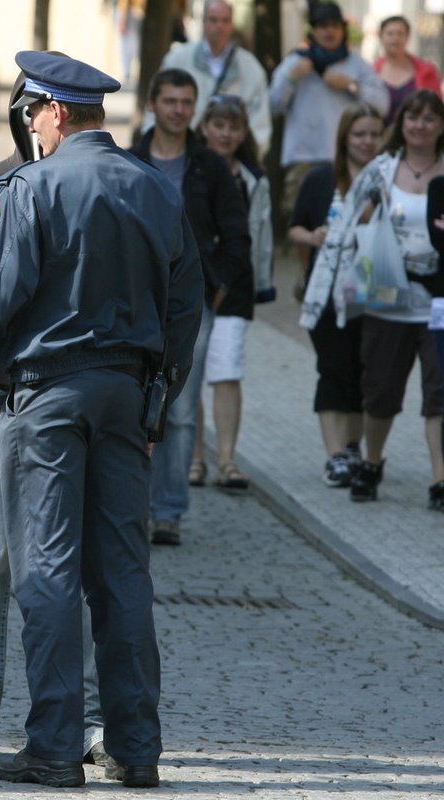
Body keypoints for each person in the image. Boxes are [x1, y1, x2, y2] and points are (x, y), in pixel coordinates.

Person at [0, 51, 203, 789]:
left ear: (55, 113)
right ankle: (136, 748)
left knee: (46, 573)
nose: (30, 126)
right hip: (124, 396)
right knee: (124, 577)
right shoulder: (153, 188)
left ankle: (53, 747)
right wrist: (157, 399)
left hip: (48, 398)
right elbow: (186, 307)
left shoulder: (33, 187)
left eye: (33, 113)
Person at [0, 70, 106, 769]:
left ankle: (88, 719)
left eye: (41, 111)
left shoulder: (98, 184)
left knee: (83, 566)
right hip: (3, 405)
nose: (34, 121)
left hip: (71, 402)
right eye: (26, 110)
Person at [300, 89, 444, 510]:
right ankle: (373, 461)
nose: (420, 125)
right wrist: (325, 294)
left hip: (438, 300)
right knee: (380, 392)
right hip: (388, 296)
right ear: (401, 124)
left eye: (429, 118)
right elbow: (343, 230)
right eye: (412, 118)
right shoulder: (382, 169)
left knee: (439, 393)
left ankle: (439, 479)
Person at [130, 68, 251, 544]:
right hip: (136, 300)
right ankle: (129, 507)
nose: (179, 109)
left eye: (186, 102)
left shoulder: (210, 166)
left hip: (191, 305)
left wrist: (213, 286)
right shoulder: (130, 159)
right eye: (170, 100)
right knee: (129, 404)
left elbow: (237, 236)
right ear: (153, 104)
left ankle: (168, 512)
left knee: (177, 409)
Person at [289, 103, 384, 486]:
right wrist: (312, 237)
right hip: (326, 292)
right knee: (332, 371)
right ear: (345, 136)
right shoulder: (320, 179)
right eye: (359, 134)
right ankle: (335, 456)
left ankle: (352, 446)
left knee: (364, 376)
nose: (367, 141)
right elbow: (295, 227)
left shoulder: (388, 179)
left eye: (374, 134)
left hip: (375, 293)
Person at [187, 94, 270, 492]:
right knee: (192, 370)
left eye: (233, 127)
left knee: (227, 369)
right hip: (194, 282)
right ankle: (195, 456)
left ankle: (227, 458)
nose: (225, 133)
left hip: (235, 283)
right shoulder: (192, 168)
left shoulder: (253, 177)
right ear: (205, 127)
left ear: (243, 133)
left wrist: (265, 284)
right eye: (218, 125)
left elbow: (261, 235)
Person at [269, 1, 387, 220]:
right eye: (322, 26)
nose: (329, 31)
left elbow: (382, 104)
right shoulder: (296, 62)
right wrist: (292, 77)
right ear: (313, 30)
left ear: (343, 30)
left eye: (334, 26)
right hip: (303, 160)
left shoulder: (358, 65)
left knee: (347, 223)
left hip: (346, 159)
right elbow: (274, 105)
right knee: (301, 224)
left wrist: (352, 86)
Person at [142, 0, 272, 156]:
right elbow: (156, 107)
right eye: (213, 20)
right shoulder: (177, 60)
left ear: (232, 24)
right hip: (183, 156)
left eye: (225, 20)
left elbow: (260, 120)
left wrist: (248, 159)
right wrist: (156, 151)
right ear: (204, 22)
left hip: (233, 160)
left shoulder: (250, 68)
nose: (219, 26)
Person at [375, 15, 442, 127]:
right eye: (390, 33)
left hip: (418, 136)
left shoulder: (427, 71)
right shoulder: (370, 72)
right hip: (378, 138)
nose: (395, 38)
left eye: (400, 33)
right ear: (381, 36)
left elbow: (438, 109)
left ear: (408, 37)